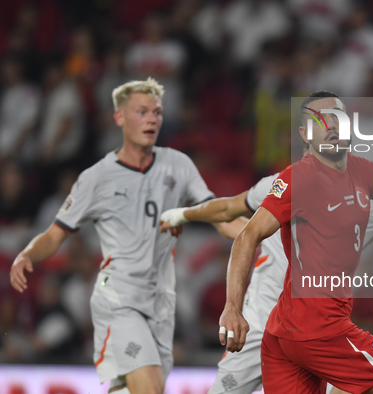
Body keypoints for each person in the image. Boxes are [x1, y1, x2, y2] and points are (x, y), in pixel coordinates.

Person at [160, 169, 373, 394]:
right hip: (263, 329)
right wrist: (181, 214)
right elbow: (228, 217)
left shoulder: (370, 209)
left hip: (316, 330)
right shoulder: (279, 187)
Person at [9, 78, 242, 394]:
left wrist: (258, 233)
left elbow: (216, 216)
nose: (151, 119)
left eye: (156, 112)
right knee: (147, 385)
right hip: (117, 292)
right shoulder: (97, 178)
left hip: (161, 295)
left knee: (135, 387)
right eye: (141, 112)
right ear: (119, 118)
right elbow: (54, 235)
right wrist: (27, 255)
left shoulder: (178, 166)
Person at [214, 89, 373, 394]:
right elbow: (247, 235)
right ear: (305, 134)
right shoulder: (299, 178)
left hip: (285, 334)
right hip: (320, 328)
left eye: (338, 117)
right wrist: (232, 308)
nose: (331, 125)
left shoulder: (364, 172)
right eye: (320, 120)